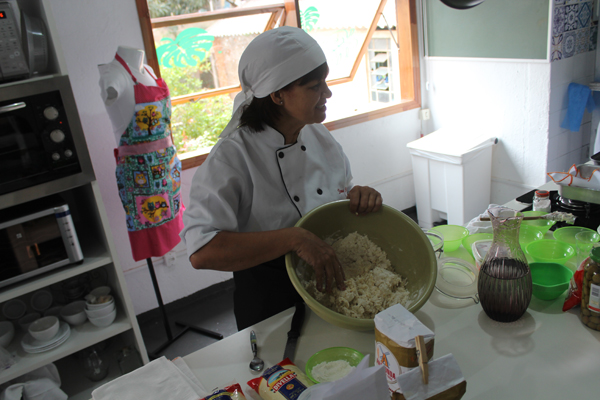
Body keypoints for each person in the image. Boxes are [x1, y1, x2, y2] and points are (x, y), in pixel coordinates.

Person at [180, 26, 382, 330]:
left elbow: (341, 190)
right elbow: (201, 251)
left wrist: (358, 196)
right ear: (277, 95)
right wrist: (294, 238)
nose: (327, 93)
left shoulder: (317, 134)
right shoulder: (233, 156)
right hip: (270, 299)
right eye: (314, 86)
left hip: (333, 285)